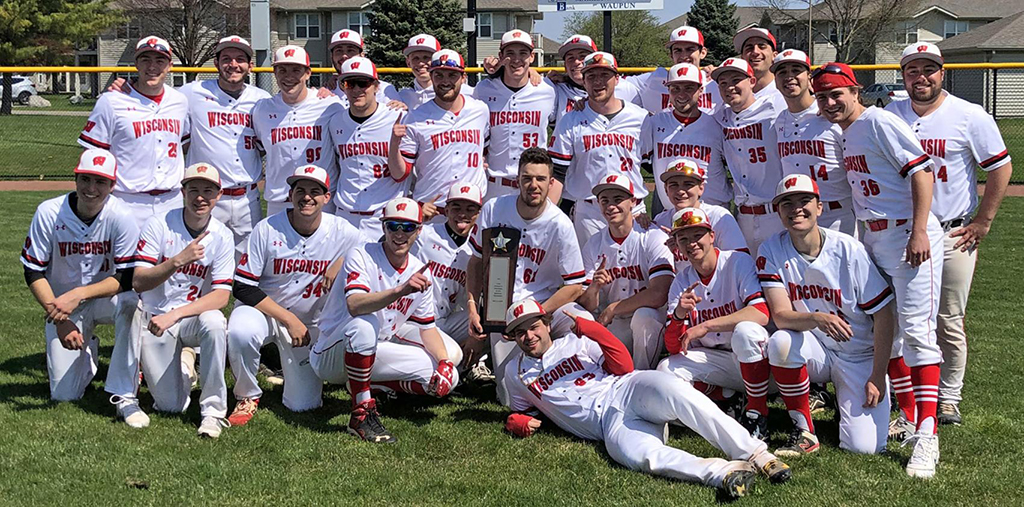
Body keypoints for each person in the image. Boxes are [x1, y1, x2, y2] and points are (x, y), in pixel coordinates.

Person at [501, 298, 792, 499]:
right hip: (609, 424)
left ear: (547, 324)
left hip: (628, 388)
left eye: (533, 326)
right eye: (519, 333)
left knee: (681, 395)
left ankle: (757, 454)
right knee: (638, 456)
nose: (528, 336)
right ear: (513, 338)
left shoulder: (574, 342)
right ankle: (723, 473)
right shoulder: (515, 374)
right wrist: (518, 421)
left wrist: (594, 331)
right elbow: (524, 412)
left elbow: (624, 367)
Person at [813, 62, 944, 478]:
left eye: (838, 93)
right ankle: (908, 416)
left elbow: (921, 171)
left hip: (907, 233)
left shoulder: (878, 120)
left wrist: (920, 229)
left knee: (920, 335)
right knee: (891, 333)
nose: (831, 102)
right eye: (824, 96)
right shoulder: (848, 132)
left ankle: (928, 436)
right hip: (877, 235)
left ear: (855, 92)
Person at [887, 42, 1013, 426]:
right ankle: (906, 392)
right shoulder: (891, 114)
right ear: (904, 75)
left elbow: (1000, 168)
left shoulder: (968, 114)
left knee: (948, 319)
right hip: (902, 233)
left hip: (952, 230)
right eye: (912, 70)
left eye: (928, 70)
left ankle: (948, 396)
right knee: (899, 318)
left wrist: (984, 222)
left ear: (943, 73)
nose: (920, 77)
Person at [757, 174, 896, 456]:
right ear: (778, 211)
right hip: (817, 346)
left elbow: (884, 315)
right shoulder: (771, 249)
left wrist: (878, 375)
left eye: (804, 201)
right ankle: (804, 429)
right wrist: (820, 319)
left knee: (864, 448)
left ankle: (849, 399)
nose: (796, 208)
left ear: (819, 207)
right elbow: (782, 316)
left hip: (858, 354)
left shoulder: (848, 249)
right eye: (787, 203)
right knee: (780, 342)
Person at [312, 197, 463, 443]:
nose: (400, 234)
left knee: (449, 375)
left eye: (408, 227)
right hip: (331, 351)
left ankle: (374, 387)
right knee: (365, 325)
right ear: (383, 227)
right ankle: (361, 415)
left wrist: (444, 361)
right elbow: (355, 305)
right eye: (393, 226)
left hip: (373, 349)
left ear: (419, 230)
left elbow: (427, 328)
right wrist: (399, 291)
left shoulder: (418, 269)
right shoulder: (361, 255)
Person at [226, 165, 367, 426]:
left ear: (327, 197)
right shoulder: (267, 228)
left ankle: (291, 375)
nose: (307, 197)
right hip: (267, 314)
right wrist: (289, 319)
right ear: (290, 195)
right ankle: (246, 394)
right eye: (300, 190)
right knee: (240, 330)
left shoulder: (341, 231)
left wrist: (343, 260)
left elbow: (373, 250)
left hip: (310, 327)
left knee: (303, 406)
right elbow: (243, 286)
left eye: (315, 191)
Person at [464, 148, 591, 406]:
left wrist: (538, 315)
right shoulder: (494, 209)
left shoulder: (559, 223)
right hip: (503, 307)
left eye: (541, 179)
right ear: (518, 180)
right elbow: (475, 262)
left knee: (585, 321)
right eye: (527, 178)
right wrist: (472, 307)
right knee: (509, 398)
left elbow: (575, 286)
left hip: (546, 305)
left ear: (551, 183)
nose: (534, 185)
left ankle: (584, 381)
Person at [22, 150, 138, 406]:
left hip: (104, 299)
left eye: (100, 182)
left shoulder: (122, 216)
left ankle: (123, 389)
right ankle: (89, 350)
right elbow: (33, 270)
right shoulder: (49, 212)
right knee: (64, 396)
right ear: (75, 179)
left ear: (112, 185)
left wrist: (79, 294)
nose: (91, 188)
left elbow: (126, 276)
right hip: (61, 305)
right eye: (85, 179)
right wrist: (60, 318)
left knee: (132, 303)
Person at [130, 163, 234, 438]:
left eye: (208, 191)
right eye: (194, 190)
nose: (201, 197)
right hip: (154, 317)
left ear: (219, 194)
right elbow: (138, 281)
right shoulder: (159, 224)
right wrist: (177, 261)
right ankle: (186, 368)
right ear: (183, 192)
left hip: (184, 318)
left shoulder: (222, 235)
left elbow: (222, 295)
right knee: (170, 406)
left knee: (214, 321)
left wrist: (175, 316)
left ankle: (213, 412)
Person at [655, 207, 775, 439]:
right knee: (666, 369)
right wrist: (679, 314)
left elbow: (761, 313)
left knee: (746, 331)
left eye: (697, 235)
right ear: (677, 245)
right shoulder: (681, 281)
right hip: (721, 364)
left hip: (759, 363)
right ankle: (725, 398)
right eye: (683, 238)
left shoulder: (737, 262)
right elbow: (673, 347)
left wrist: (707, 326)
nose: (691, 243)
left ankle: (757, 412)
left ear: (711, 236)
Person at [78, 36, 189, 230]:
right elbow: (93, 154)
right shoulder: (111, 101)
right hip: (127, 200)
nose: (152, 66)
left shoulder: (180, 101)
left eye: (160, 60)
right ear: (136, 63)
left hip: (172, 201)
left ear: (170, 65)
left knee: (172, 260)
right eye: (146, 59)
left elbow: (184, 143)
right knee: (126, 260)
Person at [180, 36, 271, 254]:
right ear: (216, 63)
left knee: (248, 269)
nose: (233, 64)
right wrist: (127, 86)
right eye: (227, 58)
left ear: (250, 66)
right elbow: (156, 95)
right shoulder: (192, 92)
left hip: (247, 198)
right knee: (200, 263)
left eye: (240, 59)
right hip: (207, 196)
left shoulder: (262, 99)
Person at [549, 51, 650, 245]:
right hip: (589, 211)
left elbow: (653, 163)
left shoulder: (640, 117)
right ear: (584, 81)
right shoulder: (570, 120)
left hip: (632, 208)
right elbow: (558, 172)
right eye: (591, 76)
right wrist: (549, 214)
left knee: (635, 272)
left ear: (617, 79)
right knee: (590, 271)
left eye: (605, 75)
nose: (598, 82)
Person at [578, 174, 674, 369]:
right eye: (605, 200)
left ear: (633, 202)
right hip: (614, 322)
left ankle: (641, 375)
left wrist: (614, 308)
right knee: (578, 317)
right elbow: (587, 304)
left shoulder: (652, 237)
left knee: (644, 317)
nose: (611, 206)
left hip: (650, 321)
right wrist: (594, 288)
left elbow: (659, 294)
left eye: (618, 199)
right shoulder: (593, 244)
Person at [390, 49, 489, 223]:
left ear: (463, 78)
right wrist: (393, 144)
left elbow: (487, 147)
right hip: (431, 211)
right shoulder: (416, 117)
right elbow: (400, 174)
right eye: (439, 75)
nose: (445, 81)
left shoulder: (479, 110)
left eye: (452, 75)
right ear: (431, 76)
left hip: (471, 211)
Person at [252, 45, 343, 216]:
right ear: (274, 73)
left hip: (320, 199)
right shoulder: (262, 109)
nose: (289, 77)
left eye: (296, 70)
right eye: (282, 70)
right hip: (279, 200)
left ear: (308, 73)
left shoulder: (329, 105)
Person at [772, 49, 855, 235]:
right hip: (799, 216)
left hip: (838, 213)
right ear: (775, 81)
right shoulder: (779, 121)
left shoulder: (830, 115)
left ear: (809, 78)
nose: (789, 77)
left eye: (796, 70)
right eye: (782, 72)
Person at [329, 56, 409, 239]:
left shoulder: (397, 117)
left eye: (363, 83)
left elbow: (404, 172)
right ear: (342, 87)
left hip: (385, 216)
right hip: (345, 216)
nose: (357, 89)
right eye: (349, 83)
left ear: (376, 86)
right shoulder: (335, 121)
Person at [712, 57, 785, 254]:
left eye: (736, 80)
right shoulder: (720, 117)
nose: (730, 88)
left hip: (775, 213)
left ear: (752, 82)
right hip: (743, 217)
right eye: (723, 83)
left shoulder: (775, 109)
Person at [473, 30, 556, 200]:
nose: (517, 59)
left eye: (523, 53)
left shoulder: (547, 91)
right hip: (495, 185)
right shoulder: (483, 89)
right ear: (500, 56)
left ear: (532, 57)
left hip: (534, 185)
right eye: (510, 53)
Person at [640, 62, 731, 210]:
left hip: (714, 211)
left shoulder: (717, 124)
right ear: (668, 91)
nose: (681, 94)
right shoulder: (654, 123)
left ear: (700, 90)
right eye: (675, 89)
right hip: (672, 212)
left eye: (689, 88)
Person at [410, 182, 482, 358]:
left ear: (479, 214)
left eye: (470, 209)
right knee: (452, 355)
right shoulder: (425, 234)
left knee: (488, 324)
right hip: (414, 320)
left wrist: (477, 337)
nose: (463, 214)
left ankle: (474, 365)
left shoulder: (477, 249)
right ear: (446, 210)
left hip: (446, 320)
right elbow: (387, 244)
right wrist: (415, 222)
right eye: (456, 208)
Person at [652, 159, 747, 270]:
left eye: (688, 184)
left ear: (701, 188)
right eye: (674, 185)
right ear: (666, 190)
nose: (681, 191)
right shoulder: (660, 221)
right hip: (677, 285)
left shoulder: (719, 217)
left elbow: (740, 261)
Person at [547, 35, 640, 127]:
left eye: (582, 56)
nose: (576, 62)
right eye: (570, 58)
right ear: (565, 66)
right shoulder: (557, 89)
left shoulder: (625, 87)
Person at [627, 25, 720, 115]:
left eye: (689, 49)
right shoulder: (655, 78)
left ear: (703, 53)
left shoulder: (714, 81)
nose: (684, 56)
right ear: (671, 55)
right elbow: (618, 83)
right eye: (678, 50)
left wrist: (720, 73)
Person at [325, 29, 401, 107]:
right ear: (332, 57)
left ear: (362, 55)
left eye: (350, 50)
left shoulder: (385, 91)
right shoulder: (326, 93)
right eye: (339, 51)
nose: (344, 55)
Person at [398, 34, 475, 109]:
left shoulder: (466, 92)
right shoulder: (402, 96)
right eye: (415, 58)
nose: (421, 63)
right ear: (408, 62)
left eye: (426, 57)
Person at [733, 27, 786, 111]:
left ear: (774, 55)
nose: (755, 52)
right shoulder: (731, 93)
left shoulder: (786, 92)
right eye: (749, 48)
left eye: (762, 46)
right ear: (742, 57)